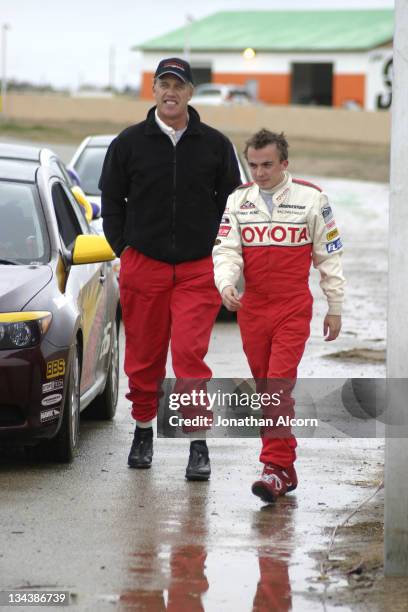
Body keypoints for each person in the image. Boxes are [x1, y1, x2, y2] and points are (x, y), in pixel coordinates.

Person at [99, 58, 241, 478]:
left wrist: (221, 253)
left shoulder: (215, 145)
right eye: (163, 84)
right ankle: (143, 432)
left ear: (191, 93)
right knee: (144, 358)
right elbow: (110, 203)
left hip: (198, 268)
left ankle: (197, 444)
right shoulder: (128, 143)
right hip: (145, 264)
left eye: (178, 85)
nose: (170, 92)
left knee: (189, 357)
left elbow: (231, 206)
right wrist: (124, 248)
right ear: (154, 90)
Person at [213, 129, 345, 503]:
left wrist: (334, 306)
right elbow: (225, 250)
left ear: (284, 163)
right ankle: (285, 468)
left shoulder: (312, 199)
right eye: (253, 165)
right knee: (266, 390)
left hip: (291, 307)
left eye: (267, 164)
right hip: (252, 309)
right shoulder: (238, 200)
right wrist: (225, 285)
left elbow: (329, 256)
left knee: (277, 387)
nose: (259, 172)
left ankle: (272, 468)